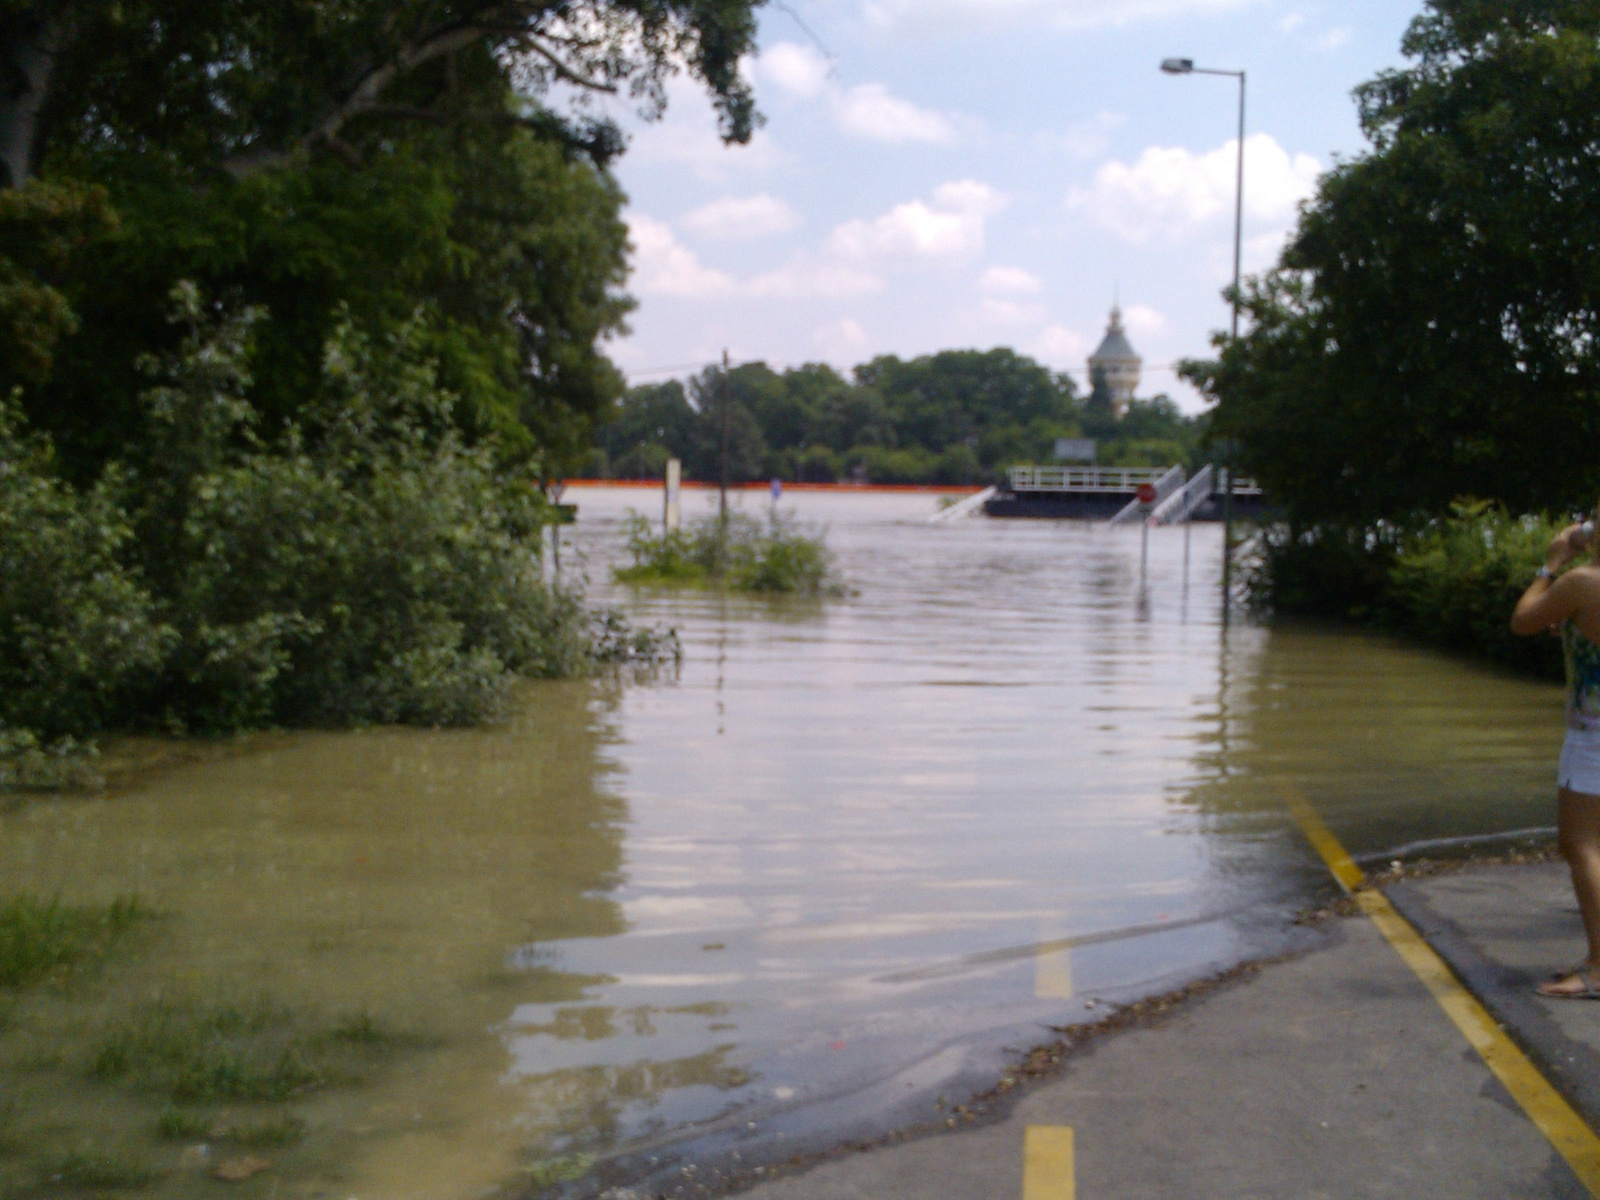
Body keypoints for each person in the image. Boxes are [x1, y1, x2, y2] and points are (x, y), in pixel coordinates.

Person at [1512, 517, 1600, 998]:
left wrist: (1549, 566)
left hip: (1593, 736)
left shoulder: (1582, 582)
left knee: (1580, 846)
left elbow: (1523, 620)